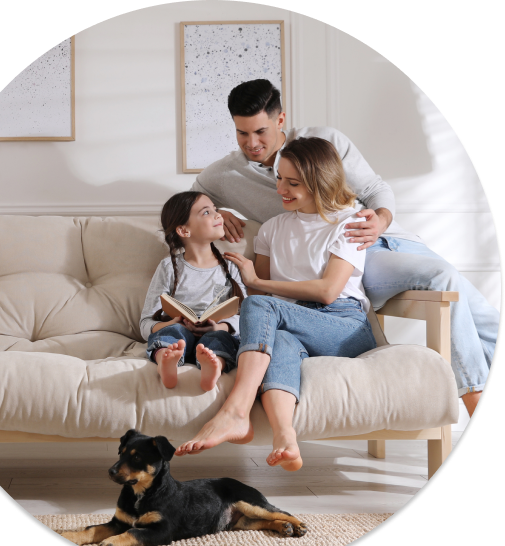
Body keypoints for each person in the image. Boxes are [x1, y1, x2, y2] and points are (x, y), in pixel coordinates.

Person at [188, 78, 497, 418]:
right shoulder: (226, 175)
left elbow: (377, 189)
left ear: (280, 120)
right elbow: (188, 203)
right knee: (442, 278)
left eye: (260, 131)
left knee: (482, 317)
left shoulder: (324, 141)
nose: (252, 143)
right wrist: (220, 212)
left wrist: (379, 221)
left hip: (384, 238)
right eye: (241, 133)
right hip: (353, 252)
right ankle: (473, 403)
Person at [175, 137, 377, 470]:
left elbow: (328, 291)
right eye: (279, 178)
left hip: (343, 325)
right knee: (277, 340)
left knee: (263, 308)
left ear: (319, 181)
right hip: (292, 324)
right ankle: (285, 437)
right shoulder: (271, 229)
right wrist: (223, 318)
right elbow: (262, 305)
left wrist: (255, 282)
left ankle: (236, 411)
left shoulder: (350, 223)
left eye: (293, 182)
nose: (281, 188)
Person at [140, 191, 246, 392]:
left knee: (221, 340)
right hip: (179, 334)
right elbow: (145, 323)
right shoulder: (168, 267)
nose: (218, 215)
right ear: (184, 230)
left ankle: (214, 367)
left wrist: (220, 328)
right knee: (172, 332)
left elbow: (247, 318)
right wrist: (171, 323)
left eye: (215, 209)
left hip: (215, 333)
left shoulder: (230, 266)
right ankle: (166, 361)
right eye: (207, 212)